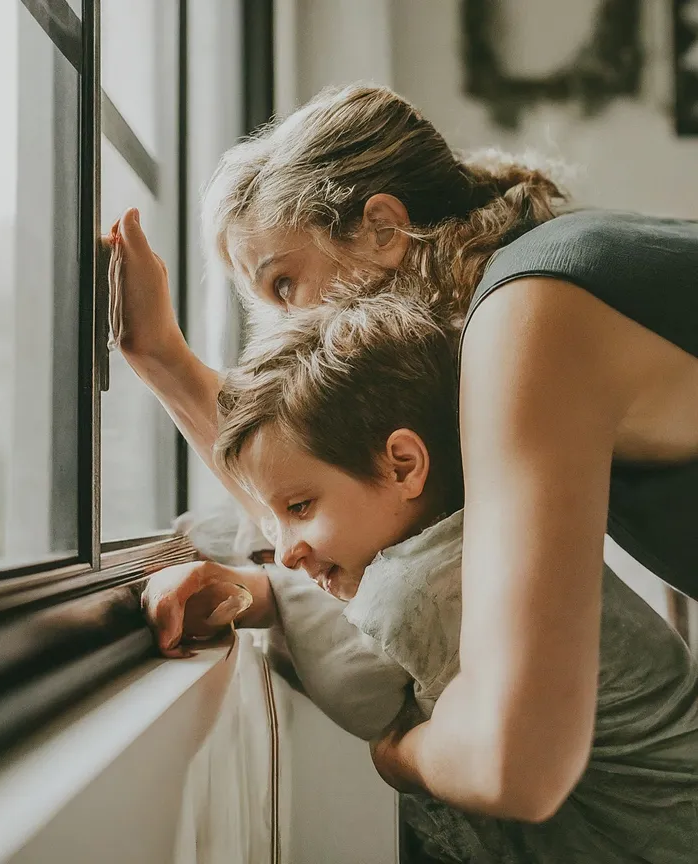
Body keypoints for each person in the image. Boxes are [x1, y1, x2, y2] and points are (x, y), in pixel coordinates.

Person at [109, 82, 698, 821]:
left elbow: (515, 765)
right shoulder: (528, 300)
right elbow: (311, 476)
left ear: (383, 228)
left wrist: (398, 752)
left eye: (285, 286)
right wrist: (165, 362)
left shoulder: (531, 317)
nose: (281, 335)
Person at [205, 285, 698, 862]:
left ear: (403, 465)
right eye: (272, 517)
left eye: (300, 508)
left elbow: (357, 696)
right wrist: (263, 590)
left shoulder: (417, 586)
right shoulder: (492, 533)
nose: (286, 551)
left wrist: (393, 755)